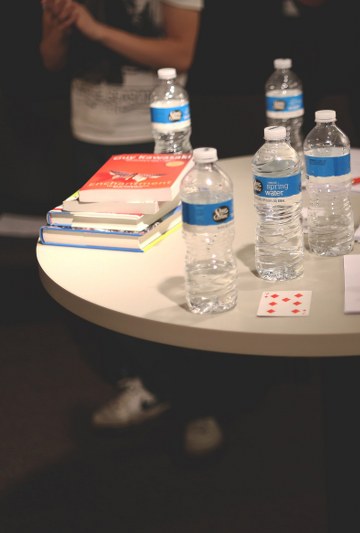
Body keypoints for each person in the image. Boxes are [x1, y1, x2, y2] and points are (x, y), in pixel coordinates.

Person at [38, 0, 228, 456]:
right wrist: (63, 29)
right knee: (93, 278)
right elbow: (50, 58)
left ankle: (198, 404)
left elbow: (181, 54)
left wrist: (93, 28)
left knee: (171, 280)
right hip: (87, 140)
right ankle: (144, 383)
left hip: (153, 145)